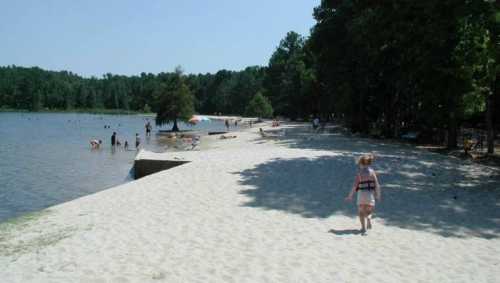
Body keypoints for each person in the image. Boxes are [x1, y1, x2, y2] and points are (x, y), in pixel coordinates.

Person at [345, 154, 381, 233]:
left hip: (361, 195)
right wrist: (378, 195)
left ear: (361, 164)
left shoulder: (360, 174)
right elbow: (377, 185)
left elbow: (355, 186)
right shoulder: (372, 173)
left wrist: (350, 196)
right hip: (370, 195)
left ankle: (363, 228)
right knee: (369, 211)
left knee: (361, 212)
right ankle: (369, 217)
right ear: (369, 163)